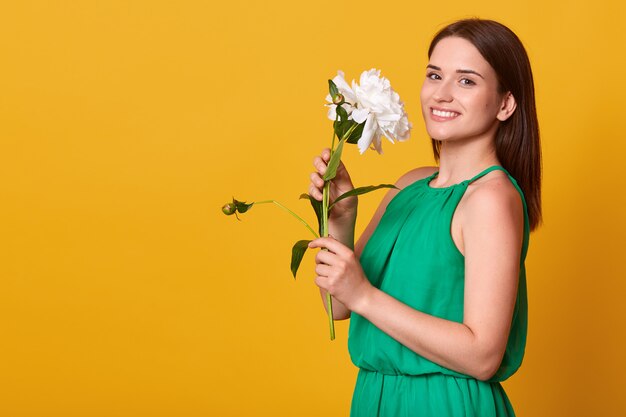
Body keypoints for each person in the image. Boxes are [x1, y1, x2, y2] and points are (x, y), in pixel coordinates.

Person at [307, 19, 542, 417]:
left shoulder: (491, 199)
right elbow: (338, 307)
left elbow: (483, 354)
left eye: (466, 81)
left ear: (505, 103)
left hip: (444, 406)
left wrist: (365, 294)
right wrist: (341, 219)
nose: (442, 94)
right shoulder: (408, 186)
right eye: (435, 75)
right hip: (374, 400)